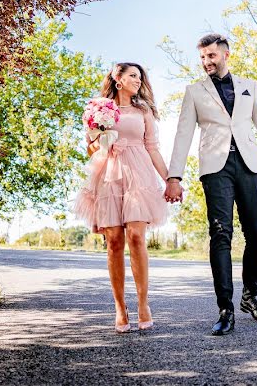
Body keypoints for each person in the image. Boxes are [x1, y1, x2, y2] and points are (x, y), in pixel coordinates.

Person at [165, 34, 257, 335]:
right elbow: (183, 134)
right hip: (215, 168)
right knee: (221, 233)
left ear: (226, 55)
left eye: (211, 56)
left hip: (249, 165)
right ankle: (225, 308)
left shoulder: (249, 87)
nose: (206, 62)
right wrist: (174, 176)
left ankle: (250, 297)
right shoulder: (194, 91)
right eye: (202, 57)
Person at [75, 62, 169, 333]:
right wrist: (103, 137)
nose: (138, 81)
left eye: (140, 76)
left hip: (138, 173)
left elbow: (153, 148)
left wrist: (170, 180)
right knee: (114, 241)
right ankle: (119, 306)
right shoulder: (97, 108)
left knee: (137, 237)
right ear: (118, 79)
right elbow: (90, 149)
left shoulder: (144, 111)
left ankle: (143, 304)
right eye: (132, 76)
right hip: (109, 174)